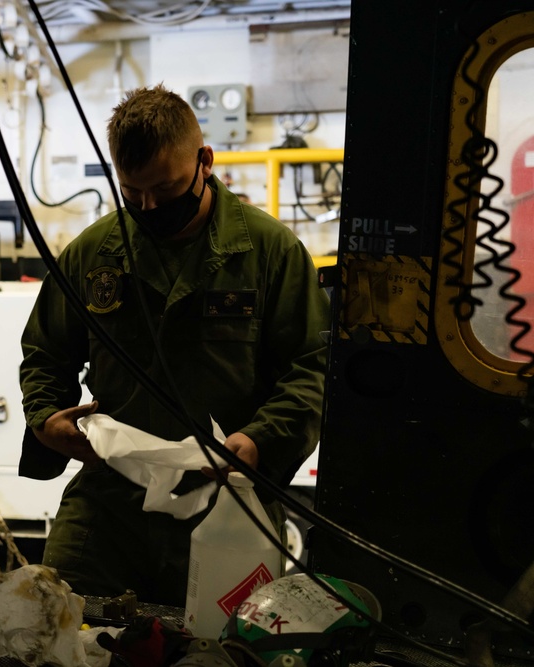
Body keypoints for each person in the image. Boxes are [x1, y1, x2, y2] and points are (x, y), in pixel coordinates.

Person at [18, 84, 330, 607]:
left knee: (228, 648)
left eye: (165, 190)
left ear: (205, 162)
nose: (148, 206)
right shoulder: (94, 254)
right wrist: (47, 416)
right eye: (132, 192)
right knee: (56, 629)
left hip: (230, 499)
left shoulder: (270, 253)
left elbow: (312, 368)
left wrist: (261, 439)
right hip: (110, 503)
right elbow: (46, 352)